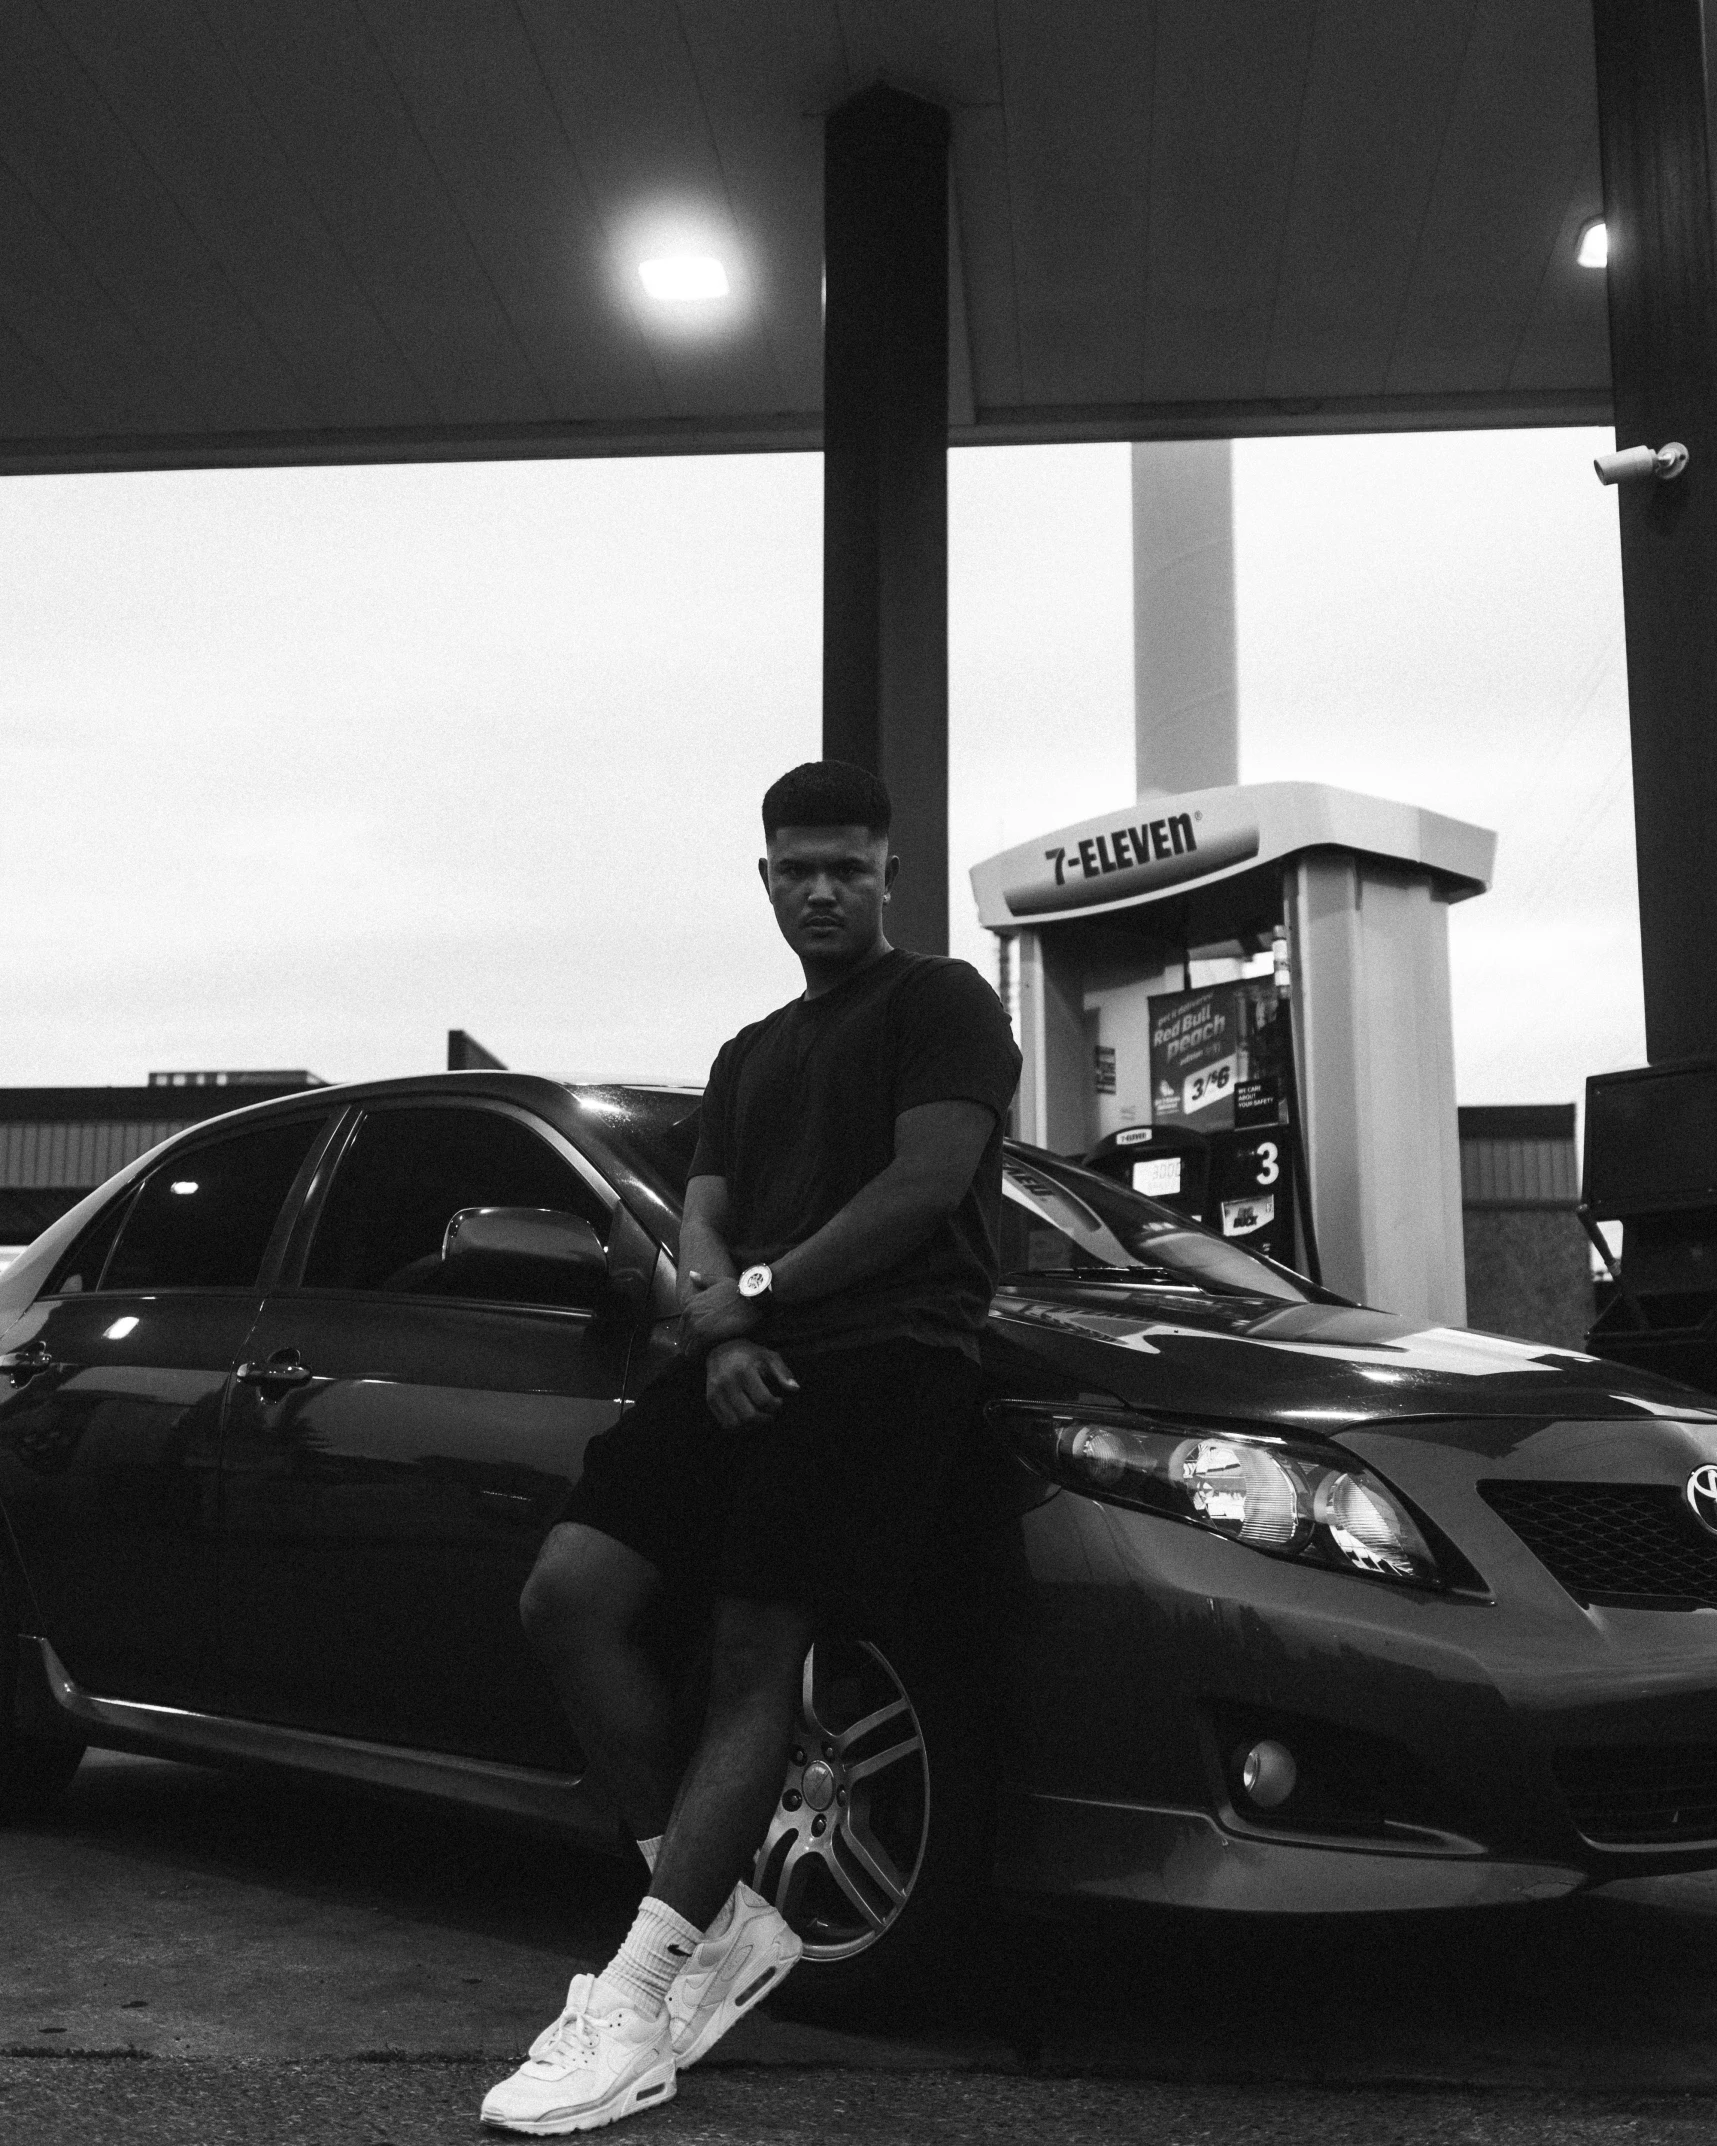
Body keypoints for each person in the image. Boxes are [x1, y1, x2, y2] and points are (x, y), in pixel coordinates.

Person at [480, 758, 1021, 2135]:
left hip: (891, 1355)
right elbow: (700, 1221)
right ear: (765, 875)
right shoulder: (747, 1053)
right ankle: (709, 1916)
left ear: (892, 873)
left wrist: (763, 1300)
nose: (823, 887)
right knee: (571, 1593)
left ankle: (638, 1993)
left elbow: (925, 1183)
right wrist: (721, 1330)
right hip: (754, 1360)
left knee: (750, 1650)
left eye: (849, 864)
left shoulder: (940, 1002)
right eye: (798, 866)